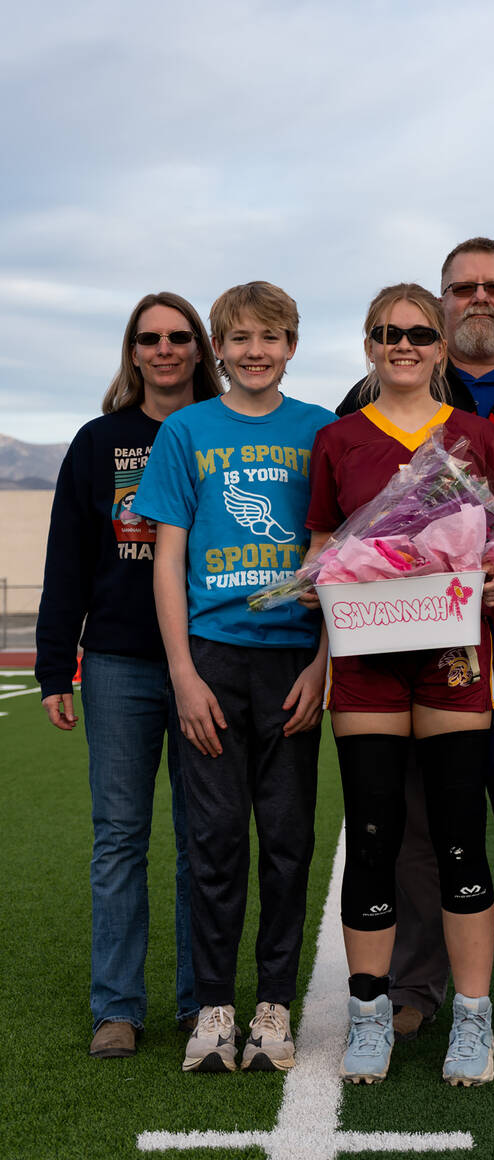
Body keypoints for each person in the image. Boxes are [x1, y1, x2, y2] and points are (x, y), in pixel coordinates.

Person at [336, 238, 494, 1042]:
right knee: (414, 828)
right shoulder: (364, 398)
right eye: (463, 287)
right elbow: (347, 531)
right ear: (441, 305)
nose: (479, 297)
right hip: (409, 655)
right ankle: (414, 990)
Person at [305, 282, 494, 1086]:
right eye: (388, 333)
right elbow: (323, 541)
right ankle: (367, 1012)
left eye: (420, 334)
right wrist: (323, 588)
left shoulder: (472, 435)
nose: (404, 345)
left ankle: (472, 1018)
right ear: (368, 343)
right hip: (366, 659)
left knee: (460, 833)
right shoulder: (338, 438)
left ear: (441, 345)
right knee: (376, 834)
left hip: (453, 654)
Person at [133, 281, 335, 1074]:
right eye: (241, 338)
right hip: (213, 656)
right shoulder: (186, 431)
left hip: (293, 661)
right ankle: (215, 1007)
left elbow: (338, 558)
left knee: (286, 841)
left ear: (292, 345)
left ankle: (273, 1005)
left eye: (272, 336)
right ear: (219, 347)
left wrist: (324, 663)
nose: (256, 351)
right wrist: (182, 671)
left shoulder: (321, 431)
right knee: (213, 841)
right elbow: (169, 556)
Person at [35, 292, 223, 1058]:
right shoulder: (98, 441)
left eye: (180, 337)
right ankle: (118, 1006)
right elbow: (67, 558)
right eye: (151, 338)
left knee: (201, 838)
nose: (166, 349)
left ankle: (194, 1002)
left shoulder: (219, 432)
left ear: (199, 348)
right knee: (119, 838)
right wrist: (56, 667)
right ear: (133, 351)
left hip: (208, 661)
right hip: (117, 664)